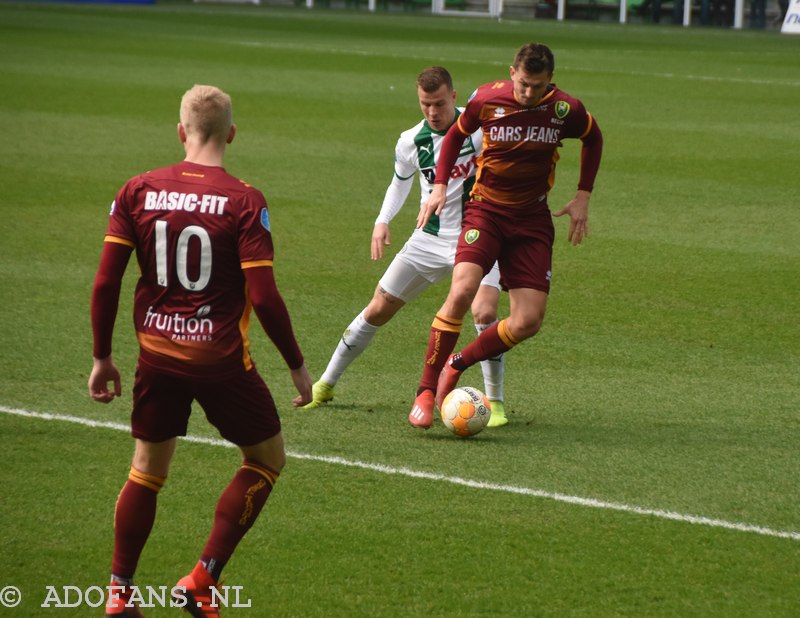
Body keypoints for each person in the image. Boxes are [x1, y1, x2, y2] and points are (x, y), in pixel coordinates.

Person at [88, 84, 312, 617]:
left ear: (181, 131)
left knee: (146, 469)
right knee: (266, 459)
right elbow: (264, 295)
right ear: (231, 133)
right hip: (219, 361)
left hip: (155, 356)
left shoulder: (137, 189)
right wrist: (298, 366)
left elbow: (105, 283)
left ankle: (119, 593)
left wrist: (101, 357)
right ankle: (202, 579)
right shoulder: (243, 199)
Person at [408, 43, 603, 429]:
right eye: (524, 83)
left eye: (538, 86)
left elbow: (594, 138)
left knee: (528, 320)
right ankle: (427, 391)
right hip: (487, 211)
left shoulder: (564, 109)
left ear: (550, 82)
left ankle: (458, 363)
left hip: (532, 219)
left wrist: (583, 195)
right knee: (462, 291)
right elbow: (454, 136)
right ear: (511, 72)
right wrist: (441, 184)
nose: (528, 93)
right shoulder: (487, 98)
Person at [302, 66, 509, 427]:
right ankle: (326, 383)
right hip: (428, 239)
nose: (432, 111)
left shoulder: (477, 132)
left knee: (484, 314)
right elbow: (400, 183)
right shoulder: (410, 141)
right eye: (425, 104)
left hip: (479, 236)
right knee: (379, 306)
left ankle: (496, 404)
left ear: (454, 97)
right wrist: (382, 221)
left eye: (439, 103)